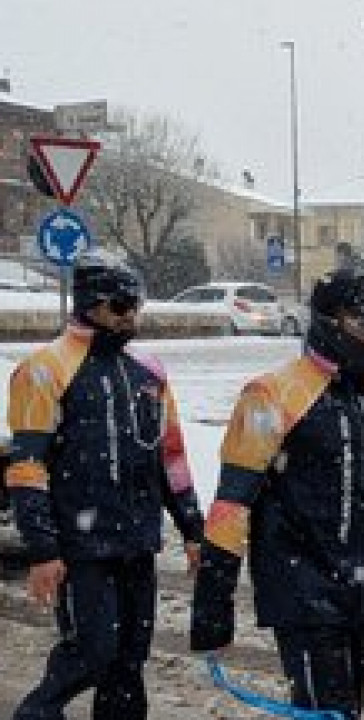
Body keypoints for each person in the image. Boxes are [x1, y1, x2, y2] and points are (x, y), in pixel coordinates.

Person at [190, 268, 364, 718]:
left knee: (347, 707)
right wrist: (214, 598)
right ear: (329, 323)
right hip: (299, 585)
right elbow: (233, 501)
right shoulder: (271, 394)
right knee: (329, 709)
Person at [5, 252, 204, 720]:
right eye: (119, 305)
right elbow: (28, 466)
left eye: (136, 304)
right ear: (90, 304)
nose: (131, 315)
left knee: (129, 662)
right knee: (92, 652)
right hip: (80, 544)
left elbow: (170, 457)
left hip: (136, 541)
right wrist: (42, 550)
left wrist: (193, 529)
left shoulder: (149, 371)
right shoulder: (44, 369)